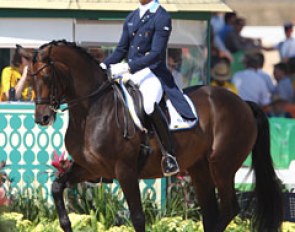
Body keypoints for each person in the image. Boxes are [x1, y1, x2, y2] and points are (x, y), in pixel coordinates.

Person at [100, 0, 196, 176]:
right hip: (131, 72)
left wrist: (129, 67)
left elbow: (156, 55)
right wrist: (102, 66)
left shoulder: (162, 16)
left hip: (153, 72)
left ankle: (169, 155)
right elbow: (120, 50)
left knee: (149, 105)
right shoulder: (132, 17)